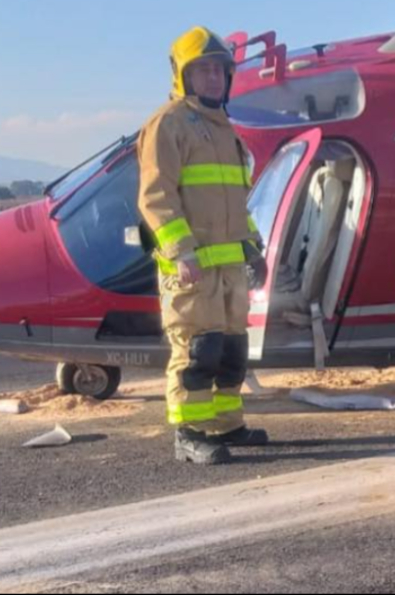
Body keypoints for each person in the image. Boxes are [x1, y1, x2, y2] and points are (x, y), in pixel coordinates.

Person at [137, 26, 270, 465]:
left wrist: (252, 247)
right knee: (197, 351)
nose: (213, 78)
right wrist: (181, 253)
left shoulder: (223, 129)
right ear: (183, 76)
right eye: (203, 70)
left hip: (229, 268)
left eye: (219, 70)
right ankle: (189, 433)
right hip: (191, 269)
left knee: (231, 350)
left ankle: (227, 424)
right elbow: (157, 197)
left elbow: (234, 199)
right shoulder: (169, 125)